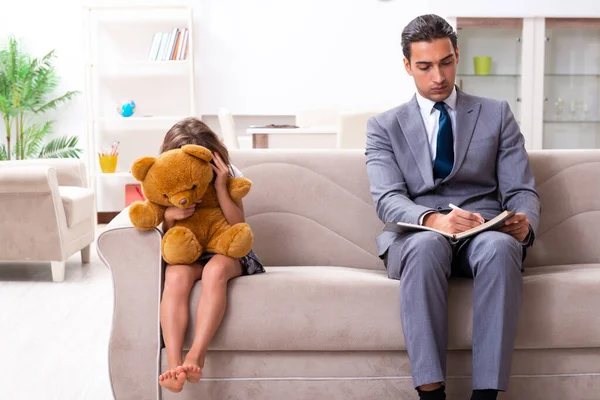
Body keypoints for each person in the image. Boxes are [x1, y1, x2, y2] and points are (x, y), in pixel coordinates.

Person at [365, 14, 540, 400]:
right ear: (408, 66)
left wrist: (524, 224)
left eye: (446, 62)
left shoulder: (496, 114)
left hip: (484, 230)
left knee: (501, 247)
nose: (438, 76)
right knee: (427, 247)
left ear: (457, 55)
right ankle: (431, 394)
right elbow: (388, 198)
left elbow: (521, 188)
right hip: (420, 235)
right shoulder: (384, 127)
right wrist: (434, 220)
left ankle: (486, 395)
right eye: (425, 66)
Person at [156, 117, 265, 393]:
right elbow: (159, 225)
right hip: (191, 252)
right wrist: (170, 215)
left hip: (226, 248)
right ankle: (173, 364)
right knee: (176, 274)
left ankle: (197, 354)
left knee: (214, 271)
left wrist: (220, 186)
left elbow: (238, 223)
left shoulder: (228, 174)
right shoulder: (167, 175)